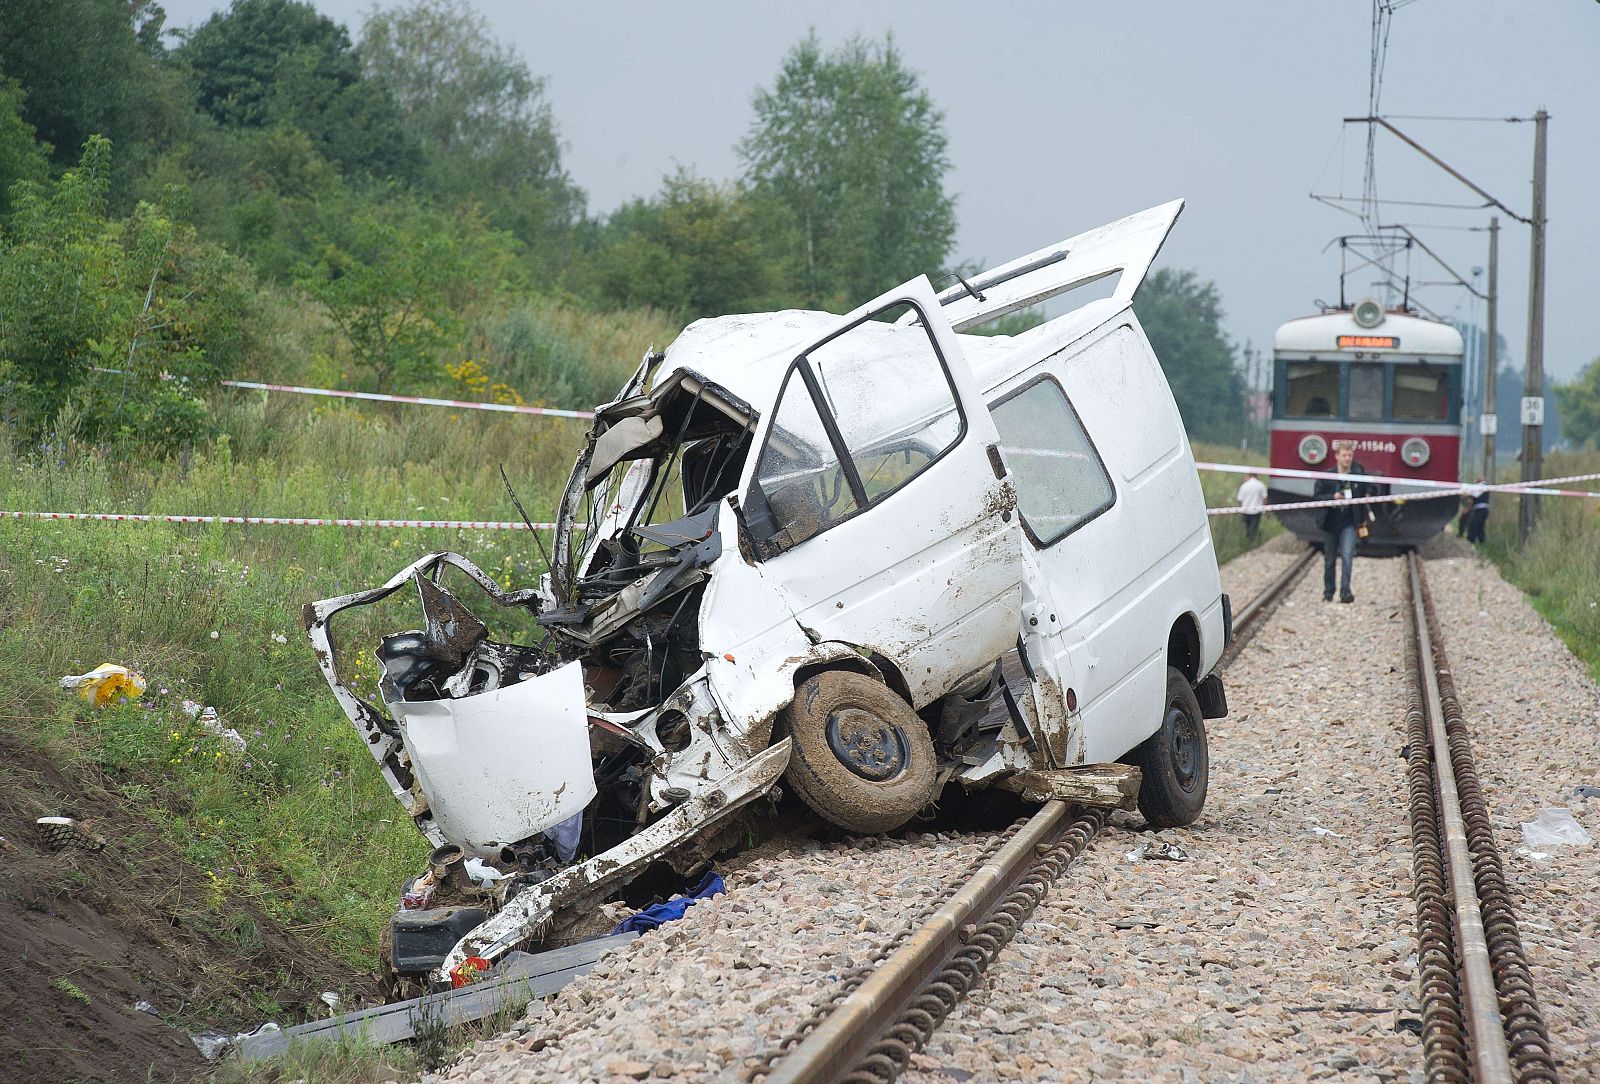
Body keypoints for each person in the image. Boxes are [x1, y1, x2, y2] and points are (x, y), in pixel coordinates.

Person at [1312, 442, 1373, 603]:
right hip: (1330, 523)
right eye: (1344, 455)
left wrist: (1368, 494)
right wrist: (1332, 497)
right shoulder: (1327, 476)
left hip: (1349, 523)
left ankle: (1345, 592)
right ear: (1337, 456)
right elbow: (1317, 496)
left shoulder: (1358, 476)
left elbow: (1371, 487)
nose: (1347, 458)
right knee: (1329, 560)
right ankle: (1328, 592)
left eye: (1350, 455)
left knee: (1347, 556)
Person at [1236, 472, 1267, 543]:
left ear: (1249, 475)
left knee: (1247, 527)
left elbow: (1239, 500)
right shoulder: (1261, 485)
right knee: (1254, 528)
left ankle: (1247, 541)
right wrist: (1265, 509)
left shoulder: (1244, 486)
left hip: (1245, 510)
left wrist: (1240, 509)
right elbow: (1265, 498)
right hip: (1256, 511)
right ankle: (1251, 541)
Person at [1465, 478, 1490, 543]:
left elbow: (1474, 494)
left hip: (1481, 509)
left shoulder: (1481, 485)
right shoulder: (1485, 486)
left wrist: (1467, 494)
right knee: (1480, 525)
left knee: (1474, 524)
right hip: (1483, 509)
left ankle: (1471, 540)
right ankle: (1481, 540)